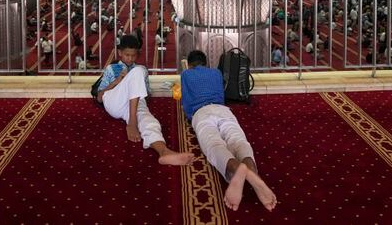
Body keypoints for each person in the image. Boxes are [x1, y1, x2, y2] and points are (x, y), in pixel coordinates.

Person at [180, 50, 277, 212]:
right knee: (238, 141)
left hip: (201, 113)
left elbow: (186, 103)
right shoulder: (216, 73)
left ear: (189, 64)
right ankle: (253, 173)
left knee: (214, 145)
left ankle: (236, 169)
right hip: (222, 110)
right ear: (206, 63)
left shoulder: (186, 75)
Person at [96, 35, 194, 167]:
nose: (130, 59)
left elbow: (146, 94)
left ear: (137, 55)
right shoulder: (111, 69)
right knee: (138, 71)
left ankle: (164, 151)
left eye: (133, 56)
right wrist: (117, 81)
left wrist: (135, 88)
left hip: (134, 103)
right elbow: (100, 97)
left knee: (149, 121)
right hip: (115, 100)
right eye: (126, 55)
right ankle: (132, 123)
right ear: (120, 53)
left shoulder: (141, 70)